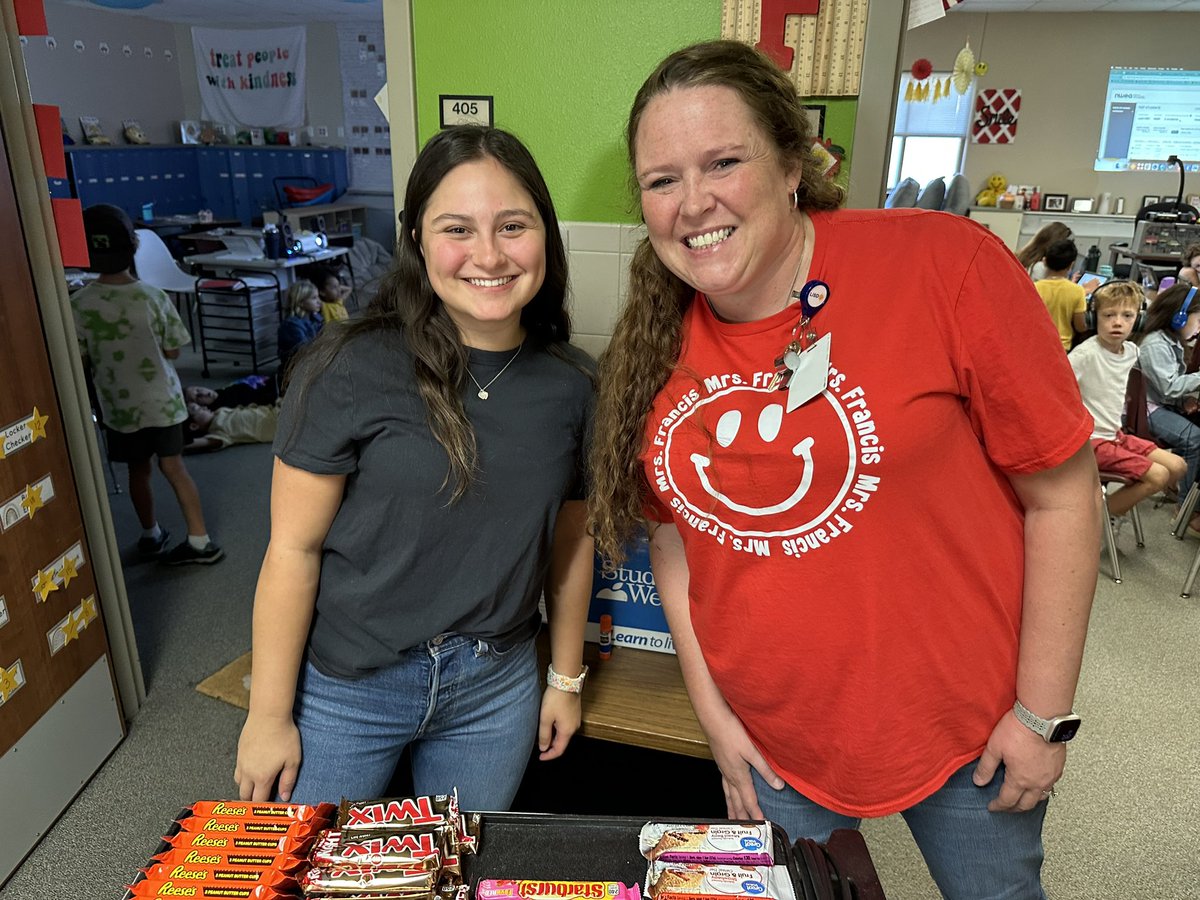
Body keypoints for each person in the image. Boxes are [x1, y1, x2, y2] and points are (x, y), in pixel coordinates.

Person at [588, 41, 1100, 899]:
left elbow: (1065, 495)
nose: (693, 203)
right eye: (661, 179)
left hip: (969, 728)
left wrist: (1042, 716)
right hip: (773, 737)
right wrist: (714, 718)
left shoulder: (945, 265)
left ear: (793, 165)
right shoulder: (651, 342)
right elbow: (675, 542)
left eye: (724, 162)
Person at [234, 126, 595, 811]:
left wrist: (566, 678)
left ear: (543, 235)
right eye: (457, 228)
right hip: (350, 686)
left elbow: (572, 544)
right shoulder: (345, 365)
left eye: (513, 225)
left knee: (453, 872)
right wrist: (269, 715)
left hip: (497, 687)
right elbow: (292, 548)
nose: (488, 254)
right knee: (315, 877)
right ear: (418, 242)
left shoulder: (574, 385)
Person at [71, 204, 224, 565]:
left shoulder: (78, 305)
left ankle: (151, 534)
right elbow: (172, 350)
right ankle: (200, 540)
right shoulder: (154, 298)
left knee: (137, 470)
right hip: (164, 403)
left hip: (120, 409)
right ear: (135, 245)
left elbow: (79, 360)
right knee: (174, 467)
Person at [1069, 281, 1185, 520]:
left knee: (1178, 467)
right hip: (1090, 441)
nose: (1118, 322)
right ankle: (1096, 520)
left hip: (1115, 434)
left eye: (1127, 315)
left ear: (1139, 320)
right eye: (1108, 315)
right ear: (1094, 318)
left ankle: (1112, 508)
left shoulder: (1132, 351)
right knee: (1159, 476)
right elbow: (1054, 391)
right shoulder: (1084, 355)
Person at [1136, 282, 1200, 534]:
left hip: (1156, 402)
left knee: (1194, 424)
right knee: (1194, 438)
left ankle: (1177, 484)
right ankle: (1186, 509)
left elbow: (1168, 388)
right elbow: (1169, 387)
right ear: (1179, 316)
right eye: (1198, 320)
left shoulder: (1168, 340)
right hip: (1147, 410)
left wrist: (1182, 401)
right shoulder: (1155, 343)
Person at [1034, 238, 1087, 349]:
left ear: (1045, 261)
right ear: (1071, 265)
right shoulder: (1077, 291)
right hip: (1062, 347)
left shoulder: (1033, 288)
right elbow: (1080, 327)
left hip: (1036, 345)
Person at [277, 280, 324, 372]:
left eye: (318, 297)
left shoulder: (315, 318)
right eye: (314, 298)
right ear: (300, 302)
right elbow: (303, 352)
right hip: (296, 369)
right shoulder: (291, 325)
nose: (319, 302)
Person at [185, 375, 278, 410]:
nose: (204, 393)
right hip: (272, 396)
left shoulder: (222, 390)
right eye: (198, 397)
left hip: (269, 384)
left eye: (198, 389)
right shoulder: (222, 410)